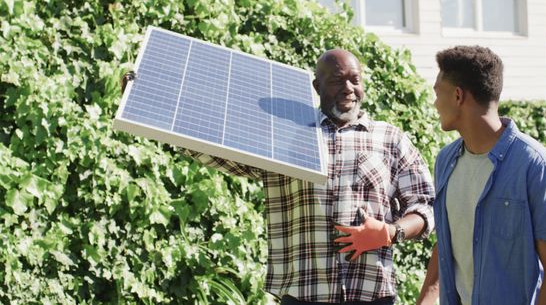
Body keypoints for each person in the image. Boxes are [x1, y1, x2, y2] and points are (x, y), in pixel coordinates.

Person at [121, 49, 435, 304]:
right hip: (303, 295)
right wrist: (146, 102)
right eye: (339, 80)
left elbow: (424, 205)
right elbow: (216, 148)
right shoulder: (285, 135)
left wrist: (390, 232)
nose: (349, 88)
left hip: (371, 294)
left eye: (355, 79)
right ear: (317, 87)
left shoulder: (389, 138)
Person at [417, 46, 546, 305]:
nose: (434, 103)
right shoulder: (444, 161)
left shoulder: (537, 166)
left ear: (458, 96)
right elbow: (447, 242)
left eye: (437, 93)